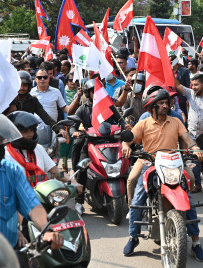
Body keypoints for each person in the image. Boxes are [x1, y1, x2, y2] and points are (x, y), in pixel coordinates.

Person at [121, 89, 203, 261]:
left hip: (173, 163)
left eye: (167, 103)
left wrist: (195, 148)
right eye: (161, 103)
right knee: (137, 200)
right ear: (152, 107)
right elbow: (129, 139)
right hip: (149, 163)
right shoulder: (144, 123)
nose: (165, 106)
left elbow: (186, 137)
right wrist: (125, 145)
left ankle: (196, 242)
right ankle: (133, 237)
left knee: (187, 198)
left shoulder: (175, 121)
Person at [0, 114, 64, 250]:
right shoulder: (8, 154)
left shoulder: (11, 170)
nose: (30, 134)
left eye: (32, 130)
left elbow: (31, 203)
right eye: (25, 131)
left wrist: (46, 231)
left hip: (9, 251)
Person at [69, 79, 121, 215]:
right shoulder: (83, 108)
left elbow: (120, 119)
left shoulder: (108, 105)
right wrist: (74, 131)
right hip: (91, 142)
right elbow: (73, 125)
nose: (96, 94)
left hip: (110, 141)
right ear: (88, 92)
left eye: (98, 91)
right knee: (82, 168)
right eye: (93, 92)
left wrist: (125, 125)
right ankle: (79, 202)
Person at [175, 74, 203, 191]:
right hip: (192, 134)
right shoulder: (190, 93)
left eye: (196, 84)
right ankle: (197, 184)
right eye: (192, 85)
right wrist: (171, 69)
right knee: (194, 159)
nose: (193, 87)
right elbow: (177, 85)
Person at [13, 71, 68, 138]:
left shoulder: (33, 100)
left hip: (28, 133)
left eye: (25, 85)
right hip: (12, 133)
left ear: (29, 86)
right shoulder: (9, 100)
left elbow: (45, 116)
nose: (22, 88)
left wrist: (59, 129)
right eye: (20, 85)